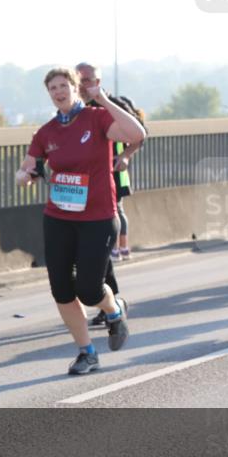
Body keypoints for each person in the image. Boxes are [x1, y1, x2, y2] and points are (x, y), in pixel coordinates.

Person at [16, 67, 145, 375]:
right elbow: (25, 170)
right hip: (58, 218)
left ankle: (114, 311)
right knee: (61, 289)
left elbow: (137, 135)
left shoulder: (96, 118)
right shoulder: (45, 132)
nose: (58, 92)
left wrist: (102, 99)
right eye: (52, 88)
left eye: (63, 85)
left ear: (75, 88)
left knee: (88, 289)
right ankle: (86, 352)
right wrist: (24, 176)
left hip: (98, 218)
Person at [75, 62, 145, 326]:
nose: (85, 86)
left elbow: (141, 133)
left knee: (99, 248)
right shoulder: (72, 108)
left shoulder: (110, 103)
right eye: (80, 81)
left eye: (90, 80)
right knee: (87, 250)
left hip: (108, 182)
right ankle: (109, 301)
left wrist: (125, 156)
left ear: (99, 80)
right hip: (80, 188)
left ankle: (110, 302)